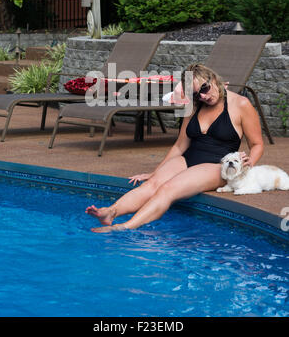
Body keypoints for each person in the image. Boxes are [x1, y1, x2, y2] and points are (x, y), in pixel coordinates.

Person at [86, 63, 264, 233]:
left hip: (217, 165)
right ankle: (111, 212)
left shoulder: (241, 105)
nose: (202, 96)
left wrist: (248, 164)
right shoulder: (194, 106)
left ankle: (124, 226)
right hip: (189, 158)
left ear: (213, 79)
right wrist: (155, 172)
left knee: (168, 189)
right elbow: (180, 145)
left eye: (204, 89)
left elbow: (257, 144)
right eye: (195, 95)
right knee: (153, 184)